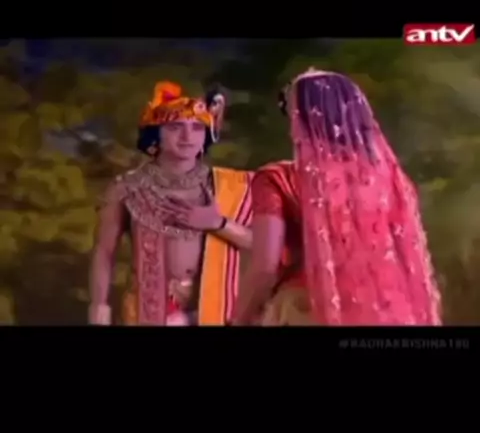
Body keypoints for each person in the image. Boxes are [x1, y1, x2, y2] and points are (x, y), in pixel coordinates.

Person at [232, 69, 442, 326]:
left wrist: (238, 321)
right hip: (383, 312)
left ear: (300, 119)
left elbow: (265, 268)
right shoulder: (393, 182)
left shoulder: (278, 178)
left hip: (303, 310)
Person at [89, 81, 252, 326]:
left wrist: (219, 224)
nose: (188, 137)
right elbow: (104, 253)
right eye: (176, 127)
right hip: (148, 309)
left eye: (197, 127)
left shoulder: (229, 186)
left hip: (218, 307)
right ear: (156, 133)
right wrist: (99, 307)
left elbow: (264, 248)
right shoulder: (127, 188)